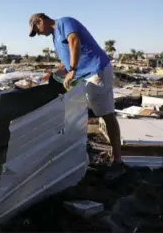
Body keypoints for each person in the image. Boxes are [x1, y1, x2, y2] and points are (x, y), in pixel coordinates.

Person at [28, 13, 123, 164]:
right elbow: (66, 63)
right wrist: (54, 73)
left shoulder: (64, 23)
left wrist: (72, 69)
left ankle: (117, 158)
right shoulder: (55, 38)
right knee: (82, 111)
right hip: (84, 75)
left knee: (106, 114)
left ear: (40, 21)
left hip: (96, 70)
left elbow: (74, 40)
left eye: (37, 30)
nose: (39, 34)